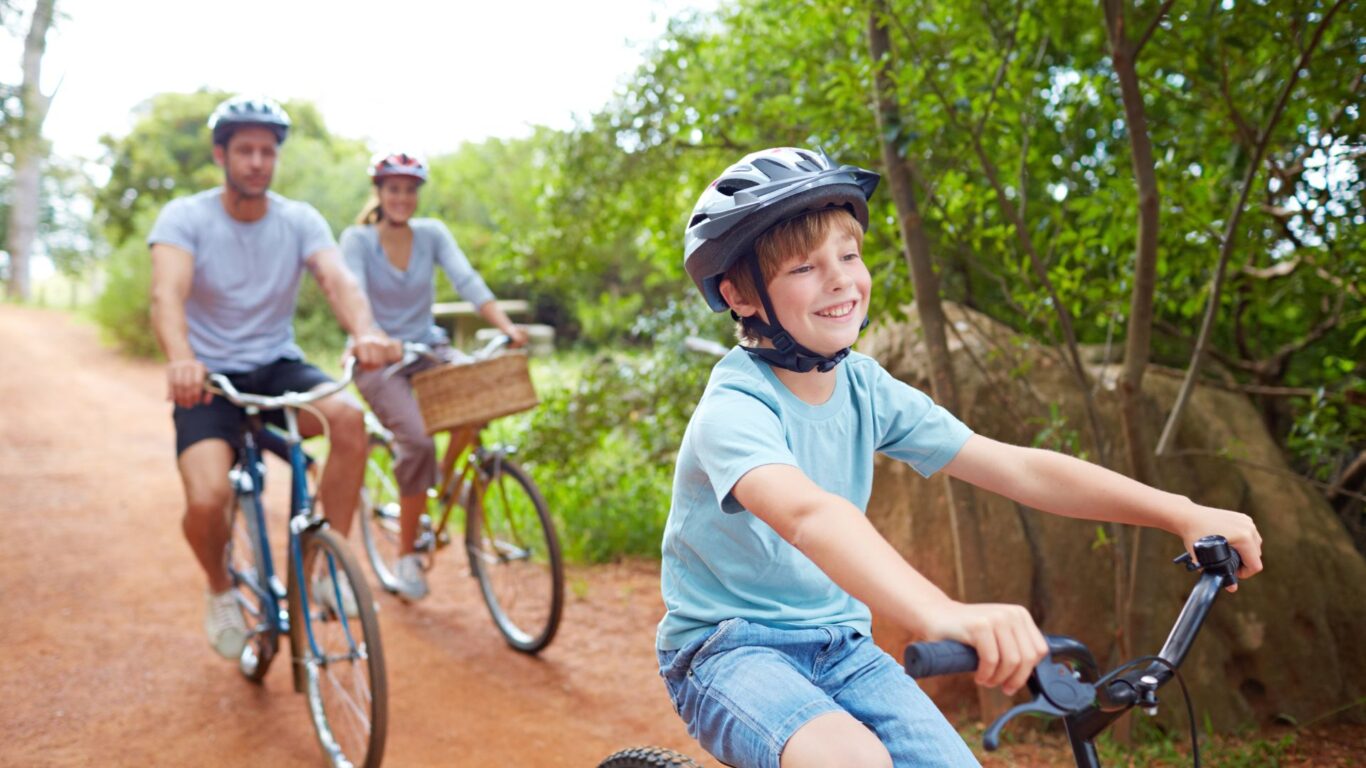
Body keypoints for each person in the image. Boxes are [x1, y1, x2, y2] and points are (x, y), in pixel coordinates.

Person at [658, 147, 1265, 768]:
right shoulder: (734, 407)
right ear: (740, 294)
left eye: (849, 254)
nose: (840, 279)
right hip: (728, 650)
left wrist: (1181, 511)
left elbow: (1017, 467)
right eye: (803, 268)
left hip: (842, 644)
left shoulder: (866, 388)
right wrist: (943, 613)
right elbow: (809, 516)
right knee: (853, 762)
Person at [148, 96, 399, 661]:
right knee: (209, 497)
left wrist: (365, 330)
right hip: (208, 379)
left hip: (275, 366)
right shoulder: (185, 217)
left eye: (267, 151)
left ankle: (322, 569)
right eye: (245, 150)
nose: (257, 162)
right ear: (222, 155)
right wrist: (182, 358)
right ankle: (219, 589)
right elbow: (167, 293)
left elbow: (339, 281)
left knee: (349, 419)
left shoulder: (298, 219)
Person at [340, 151, 528, 602]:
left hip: (426, 349)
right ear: (379, 192)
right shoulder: (358, 240)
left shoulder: (432, 234)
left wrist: (504, 325)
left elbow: (466, 279)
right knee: (418, 441)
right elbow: (353, 295)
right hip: (377, 359)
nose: (402, 197)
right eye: (393, 189)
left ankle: (440, 490)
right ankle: (406, 556)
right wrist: (372, 337)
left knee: (480, 397)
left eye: (409, 189)